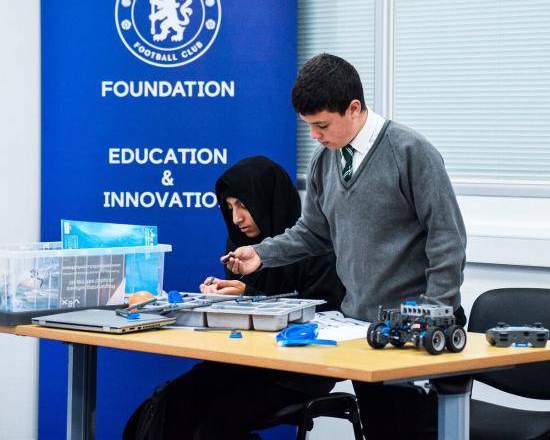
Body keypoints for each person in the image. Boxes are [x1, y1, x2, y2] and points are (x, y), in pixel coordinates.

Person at [224, 54, 467, 439]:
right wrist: (262, 254)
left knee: (416, 432)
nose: (315, 136)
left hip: (418, 327)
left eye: (321, 125)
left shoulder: (410, 152)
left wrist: (435, 309)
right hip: (364, 327)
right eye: (309, 127)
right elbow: (312, 233)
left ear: (354, 109)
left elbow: (447, 237)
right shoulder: (325, 162)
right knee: (381, 431)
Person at [123, 155, 345, 440]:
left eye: (243, 205)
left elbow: (326, 320)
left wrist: (250, 297)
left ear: (267, 200)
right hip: (244, 363)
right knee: (164, 406)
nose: (236, 218)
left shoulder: (316, 249)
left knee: (213, 427)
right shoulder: (240, 244)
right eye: (229, 207)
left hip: (295, 374)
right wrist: (221, 299)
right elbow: (241, 322)